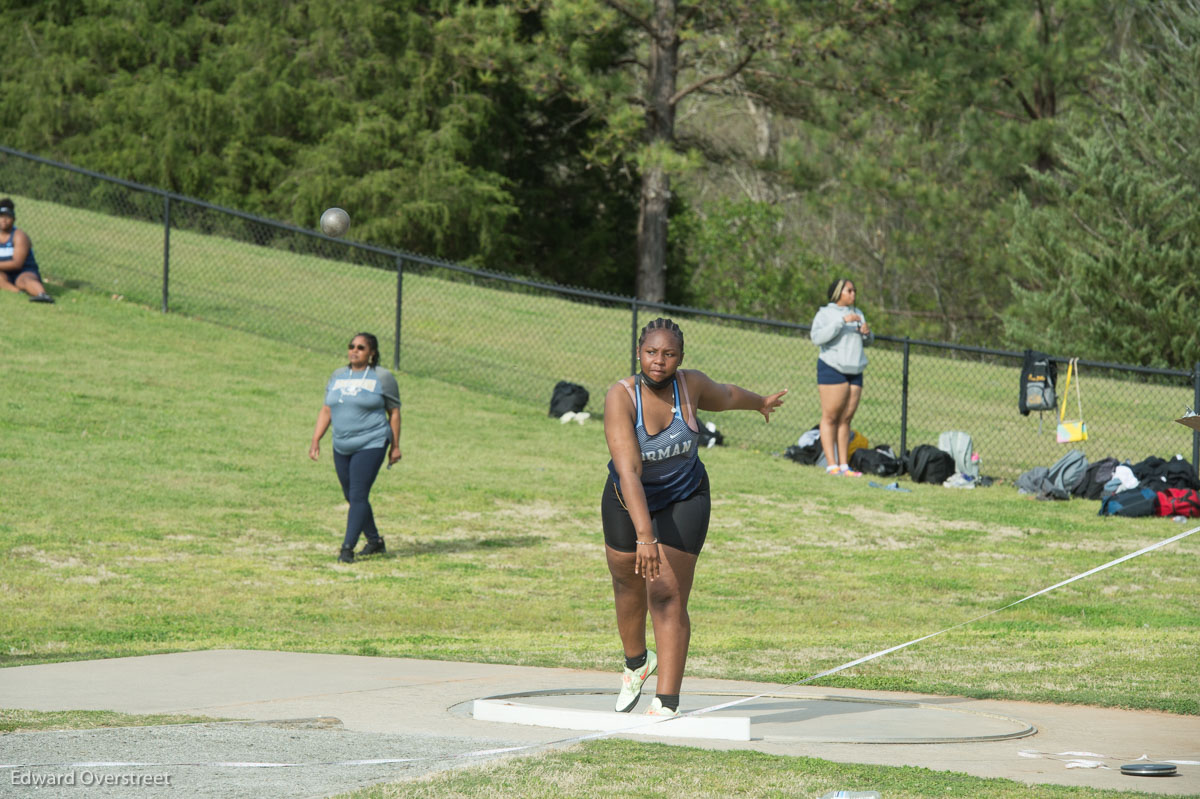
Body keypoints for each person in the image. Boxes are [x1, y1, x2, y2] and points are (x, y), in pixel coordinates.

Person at [602, 318, 786, 717]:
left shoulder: (691, 385)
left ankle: (667, 702)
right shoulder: (621, 397)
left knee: (665, 595)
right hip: (627, 497)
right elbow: (629, 471)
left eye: (669, 354)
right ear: (639, 353)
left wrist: (760, 403)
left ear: (680, 359)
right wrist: (644, 537)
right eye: (651, 352)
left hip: (684, 497)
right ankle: (636, 662)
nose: (659, 361)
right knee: (626, 582)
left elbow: (728, 394)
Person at [309, 333, 402, 563]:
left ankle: (347, 549)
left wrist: (396, 446)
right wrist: (316, 439)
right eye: (352, 346)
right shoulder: (338, 376)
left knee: (359, 494)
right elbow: (327, 410)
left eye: (361, 347)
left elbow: (394, 412)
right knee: (350, 494)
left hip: (372, 442)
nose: (354, 350)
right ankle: (375, 541)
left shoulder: (382, 377)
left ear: (371, 353)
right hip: (341, 444)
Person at [810, 278, 873, 476]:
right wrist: (841, 322)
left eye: (854, 290)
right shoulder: (825, 314)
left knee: (846, 419)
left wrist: (866, 333)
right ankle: (831, 465)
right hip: (832, 368)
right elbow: (817, 338)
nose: (853, 294)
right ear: (838, 293)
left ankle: (844, 465)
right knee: (831, 417)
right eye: (849, 290)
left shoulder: (859, 313)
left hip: (855, 370)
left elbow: (868, 342)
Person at [0, 198, 54, 303]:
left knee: (24, 281)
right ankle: (17, 292)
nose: (4, 220)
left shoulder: (19, 236)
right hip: (4, 272)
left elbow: (17, 264)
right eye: (1, 216)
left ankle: (42, 295)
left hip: (24, 271)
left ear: (14, 219)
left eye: (8, 217)